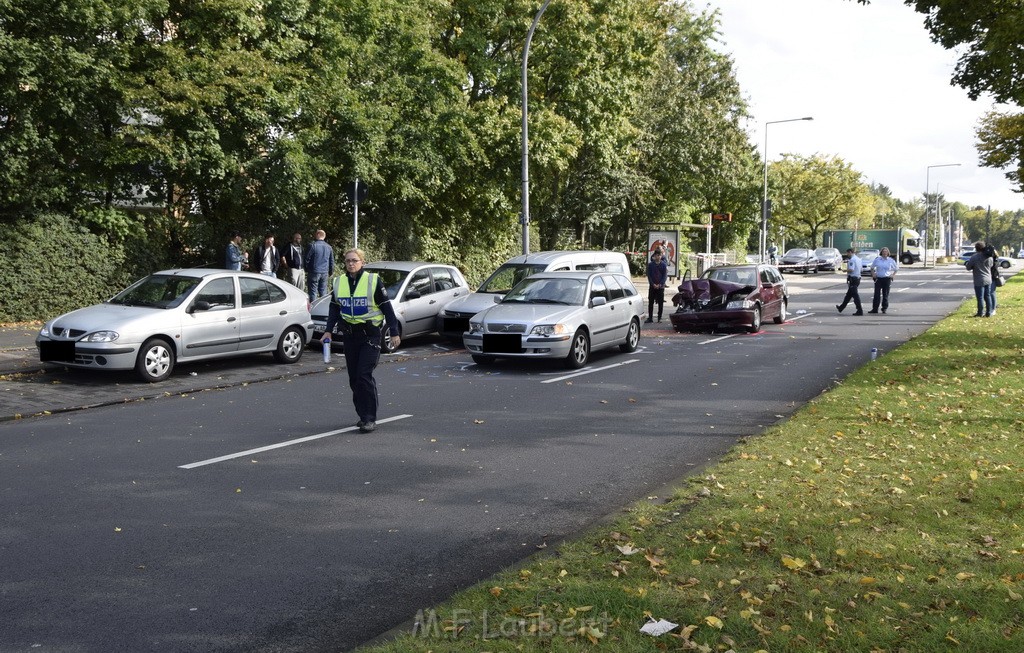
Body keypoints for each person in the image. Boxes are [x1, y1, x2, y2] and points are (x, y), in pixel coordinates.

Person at [322, 249, 401, 433]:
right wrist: (328, 331)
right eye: (348, 261)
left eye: (354, 260)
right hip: (350, 336)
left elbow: (387, 308)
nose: (351, 264)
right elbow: (334, 308)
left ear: (362, 262)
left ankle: (369, 418)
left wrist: (394, 332)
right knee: (354, 378)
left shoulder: (373, 280)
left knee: (364, 375)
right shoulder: (339, 282)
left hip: (370, 336)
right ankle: (362, 414)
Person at [305, 229, 335, 302]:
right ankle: (323, 308)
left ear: (318, 235)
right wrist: (331, 272)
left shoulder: (312, 245)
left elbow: (306, 259)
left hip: (314, 271)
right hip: (324, 272)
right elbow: (331, 261)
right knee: (323, 292)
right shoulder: (329, 247)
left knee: (313, 291)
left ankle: (313, 309)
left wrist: (307, 269)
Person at [965, 241, 993, 317]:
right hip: (988, 278)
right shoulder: (989, 257)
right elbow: (991, 265)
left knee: (980, 297)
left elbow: (968, 267)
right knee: (987, 296)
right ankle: (989, 312)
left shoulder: (974, 257)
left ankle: (980, 313)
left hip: (979, 280)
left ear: (976, 248)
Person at [867, 246, 898, 314]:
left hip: (887, 279)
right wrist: (873, 274)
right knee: (876, 294)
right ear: (881, 252)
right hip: (879, 278)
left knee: (885, 294)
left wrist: (893, 275)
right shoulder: (877, 260)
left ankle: (884, 308)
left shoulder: (891, 260)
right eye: (883, 252)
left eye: (886, 252)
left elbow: (896, 269)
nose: (884, 253)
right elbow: (872, 267)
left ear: (888, 253)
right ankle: (875, 309)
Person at [835, 248, 864, 315]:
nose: (847, 254)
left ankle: (859, 310)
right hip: (857, 278)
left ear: (850, 252)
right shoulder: (858, 259)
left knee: (855, 295)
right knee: (848, 295)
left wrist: (845, 270)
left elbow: (851, 269)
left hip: (853, 279)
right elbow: (861, 269)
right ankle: (841, 308)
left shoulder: (852, 260)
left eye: (847, 253)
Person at [646, 250, 668, 323]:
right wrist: (652, 284)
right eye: (657, 255)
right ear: (654, 256)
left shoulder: (663, 265)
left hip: (660, 287)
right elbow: (649, 276)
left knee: (660, 302)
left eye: (659, 255)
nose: (658, 257)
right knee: (651, 302)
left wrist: (660, 284)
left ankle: (659, 317)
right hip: (652, 286)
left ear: (661, 256)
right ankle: (650, 317)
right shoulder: (650, 265)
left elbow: (664, 276)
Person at [983, 244, 999, 315]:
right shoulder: (993, 257)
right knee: (990, 293)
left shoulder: (992, 258)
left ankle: (993, 308)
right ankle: (991, 308)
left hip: (992, 277)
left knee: (991, 292)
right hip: (991, 276)